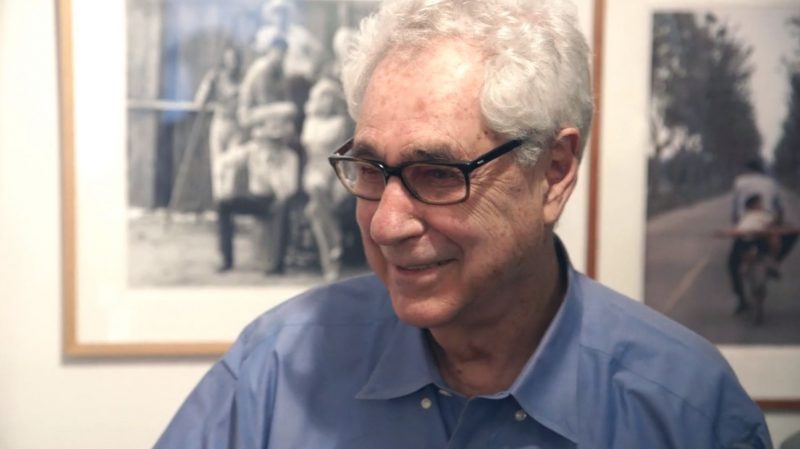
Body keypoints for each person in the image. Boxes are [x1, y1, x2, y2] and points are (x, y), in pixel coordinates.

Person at [155, 1, 771, 447]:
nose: (386, 225)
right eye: (369, 168)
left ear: (554, 172)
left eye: (438, 173)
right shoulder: (275, 369)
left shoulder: (687, 412)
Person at [215, 102, 299, 273]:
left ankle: (276, 264)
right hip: (256, 199)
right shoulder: (253, 150)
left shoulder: (290, 158)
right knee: (223, 203)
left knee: (282, 207)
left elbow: (287, 191)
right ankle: (226, 260)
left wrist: (273, 168)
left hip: (277, 200)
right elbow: (225, 161)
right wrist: (226, 183)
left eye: (276, 141)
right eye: (268, 139)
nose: (271, 144)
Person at [301, 77, 353, 281]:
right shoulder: (309, 122)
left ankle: (329, 262)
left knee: (315, 211)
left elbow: (343, 155)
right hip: (313, 170)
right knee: (316, 187)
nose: (326, 101)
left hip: (334, 171)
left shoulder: (340, 123)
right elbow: (308, 155)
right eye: (322, 97)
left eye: (330, 97)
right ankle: (335, 244)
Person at [727, 159, 794, 313]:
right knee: (791, 236)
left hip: (746, 230)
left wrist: (737, 227)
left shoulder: (739, 182)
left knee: (732, 264)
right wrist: (777, 224)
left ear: (747, 169)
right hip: (767, 229)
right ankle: (775, 261)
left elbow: (734, 210)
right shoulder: (771, 183)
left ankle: (741, 300)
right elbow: (779, 209)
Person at [194, 46, 244, 201]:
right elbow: (199, 100)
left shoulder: (243, 79)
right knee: (218, 163)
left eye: (234, 60)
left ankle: (228, 201)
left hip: (236, 125)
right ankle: (219, 201)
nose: (232, 63)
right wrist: (207, 87)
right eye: (229, 59)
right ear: (224, 60)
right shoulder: (216, 77)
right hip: (220, 122)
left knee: (232, 165)